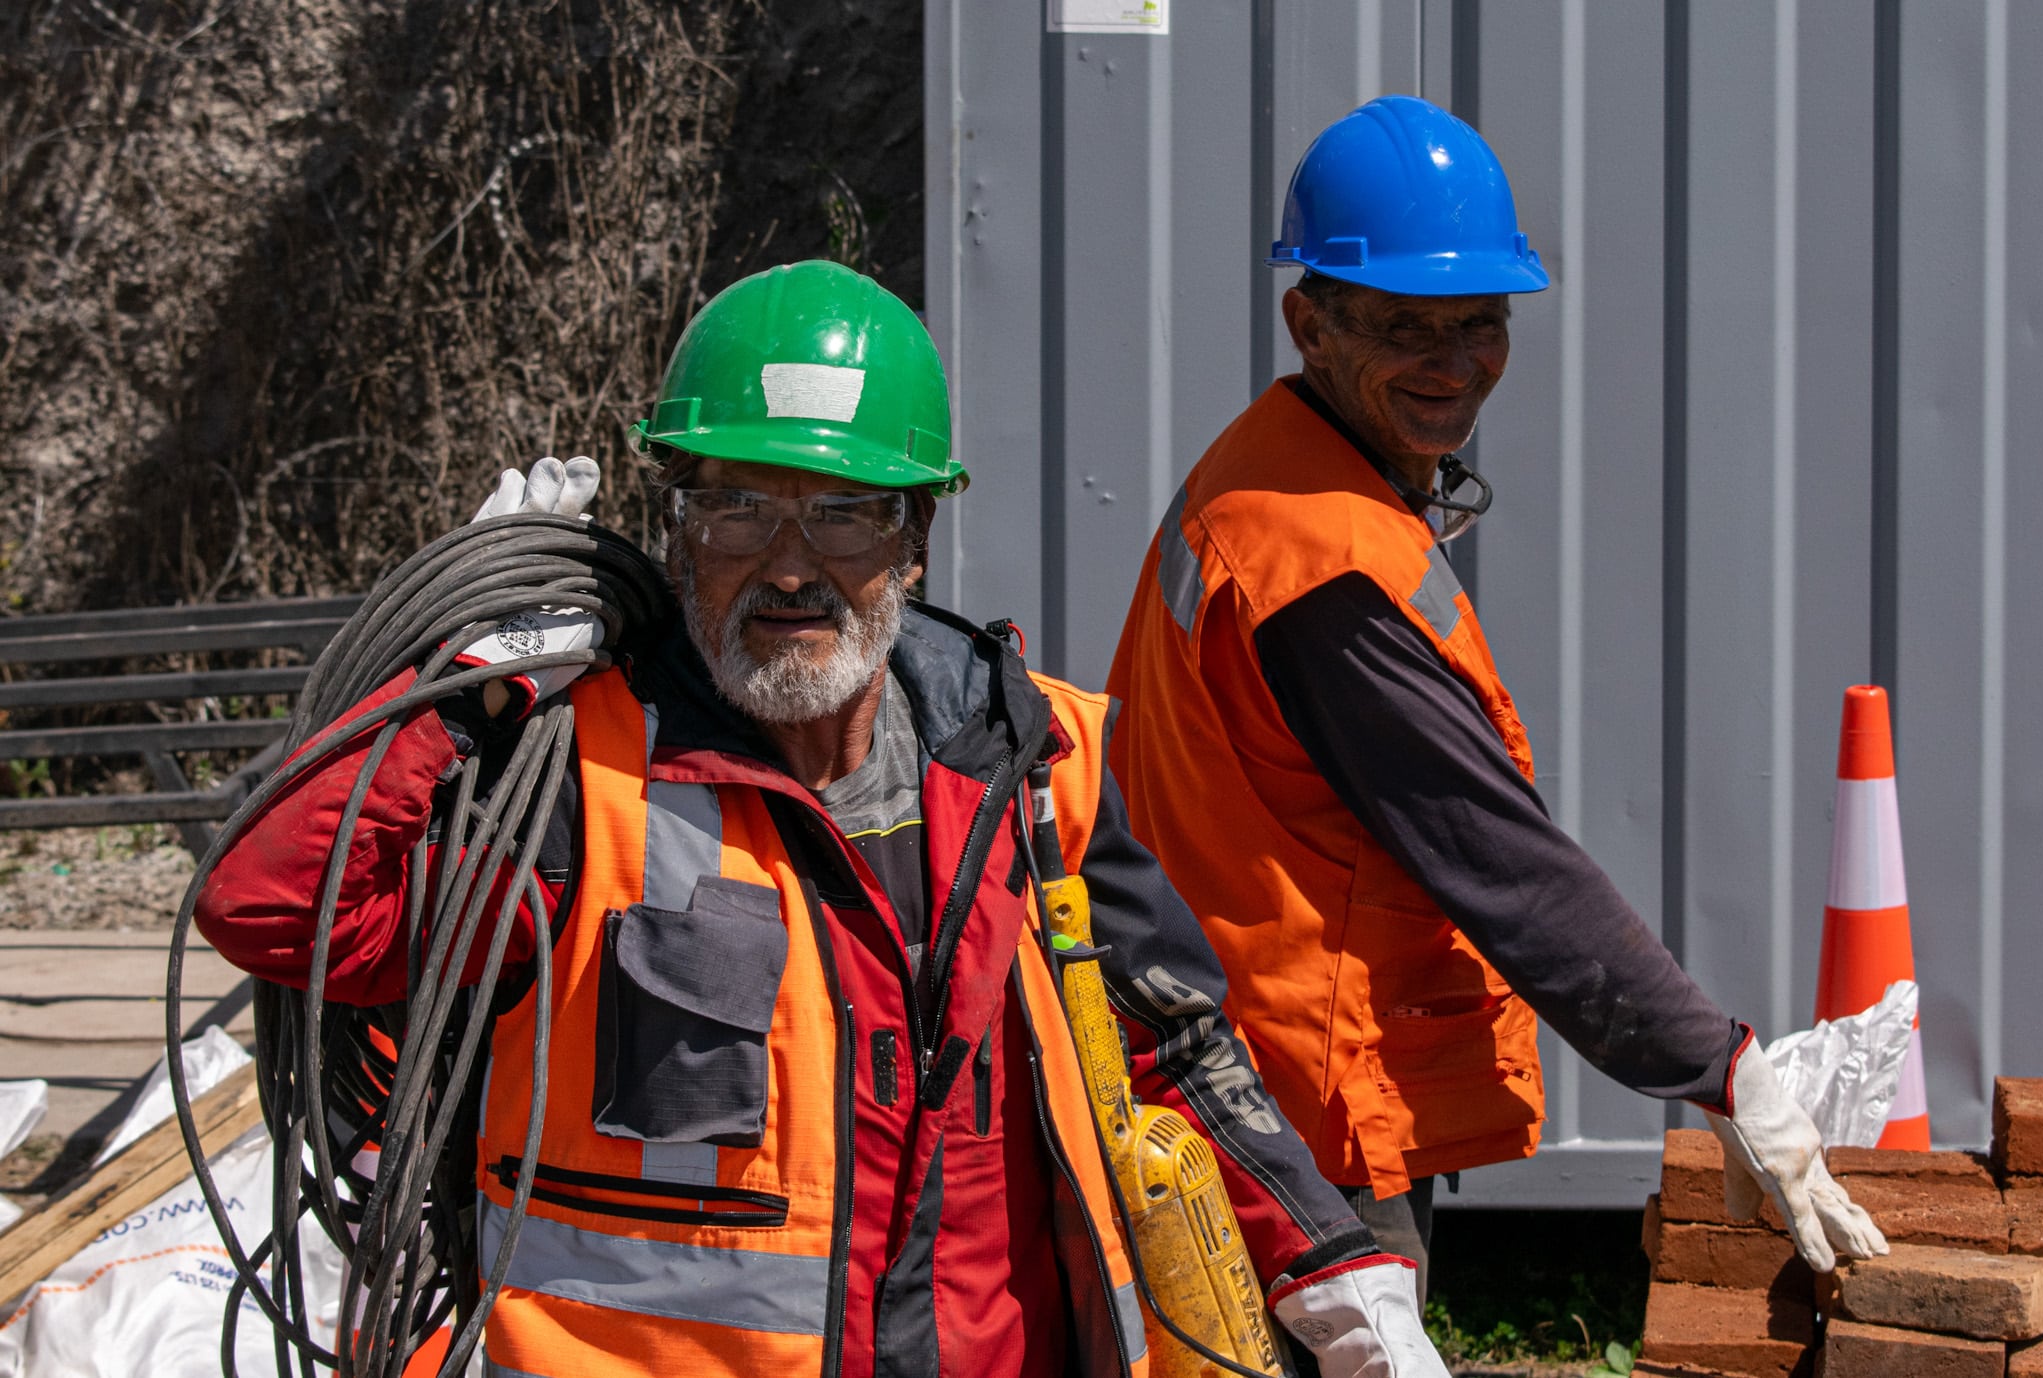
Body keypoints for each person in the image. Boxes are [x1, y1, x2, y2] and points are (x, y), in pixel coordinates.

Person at [196, 260, 1457, 1377]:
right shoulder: (571, 782)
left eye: (843, 510)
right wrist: (458, 687)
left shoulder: (1028, 761)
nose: (791, 564)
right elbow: (281, 912)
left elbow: (1170, 1047)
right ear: (678, 529)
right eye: (741, 505)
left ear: (913, 537)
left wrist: (1333, 1267)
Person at [1103, 96, 1888, 1299]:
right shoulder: (1318, 567)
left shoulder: (1278, 471)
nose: (1454, 363)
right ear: (1306, 322)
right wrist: (1723, 1070)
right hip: (1296, 1116)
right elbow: (1497, 861)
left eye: (1480, 322)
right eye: (1404, 327)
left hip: (1253, 1076)